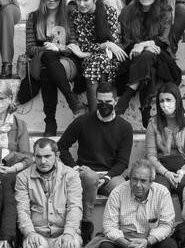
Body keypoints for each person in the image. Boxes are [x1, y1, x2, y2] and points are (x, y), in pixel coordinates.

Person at [57, 82, 135, 238]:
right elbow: (61, 146)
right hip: (86, 173)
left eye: (108, 102)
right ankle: (85, 225)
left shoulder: (125, 127)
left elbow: (122, 162)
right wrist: (75, 167)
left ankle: (118, 230)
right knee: (89, 176)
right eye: (100, 102)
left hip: (110, 174)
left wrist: (107, 177)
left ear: (116, 101)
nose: (104, 106)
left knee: (123, 189)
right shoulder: (83, 121)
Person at [114, 0, 179, 124]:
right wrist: (138, 47)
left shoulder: (165, 12)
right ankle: (146, 109)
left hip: (162, 59)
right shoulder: (127, 13)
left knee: (149, 54)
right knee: (150, 67)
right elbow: (126, 41)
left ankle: (126, 97)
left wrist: (144, 44)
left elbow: (163, 41)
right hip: (134, 60)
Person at [63, 0, 122, 117]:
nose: (81, 4)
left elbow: (115, 44)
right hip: (88, 61)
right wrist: (104, 45)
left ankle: (95, 113)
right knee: (96, 62)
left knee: (99, 61)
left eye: (85, 0)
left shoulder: (109, 12)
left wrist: (87, 52)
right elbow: (82, 44)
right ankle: (101, 113)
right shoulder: (75, 14)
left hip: (109, 60)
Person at [25, 0, 75, 136]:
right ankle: (71, 99)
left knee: (48, 68)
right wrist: (47, 48)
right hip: (40, 62)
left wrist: (59, 48)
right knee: (47, 59)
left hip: (64, 63)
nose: (52, 0)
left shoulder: (69, 17)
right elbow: (30, 48)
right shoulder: (33, 17)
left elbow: (73, 45)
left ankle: (50, 122)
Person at [144, 83, 185, 197]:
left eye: (168, 99)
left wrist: (182, 172)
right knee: (160, 189)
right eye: (161, 101)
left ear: (177, 100)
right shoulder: (153, 124)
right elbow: (151, 156)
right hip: (161, 170)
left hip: (184, 169)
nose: (165, 104)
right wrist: (166, 173)